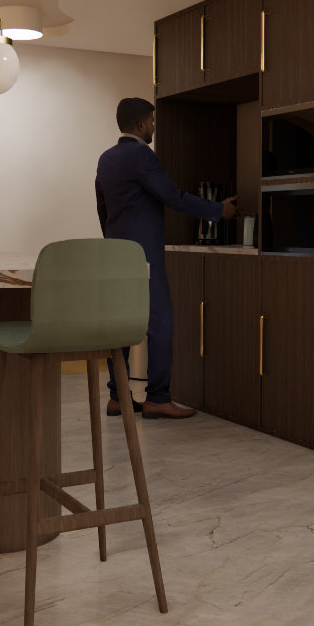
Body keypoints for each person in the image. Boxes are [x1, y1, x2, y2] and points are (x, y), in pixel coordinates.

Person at [95, 97, 237, 419]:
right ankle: (158, 398)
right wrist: (218, 210)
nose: (154, 128)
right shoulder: (142, 156)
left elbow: (103, 208)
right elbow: (173, 197)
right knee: (160, 323)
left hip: (115, 254)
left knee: (120, 325)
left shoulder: (106, 159)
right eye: (153, 122)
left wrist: (114, 242)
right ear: (142, 124)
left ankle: (118, 397)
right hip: (144, 256)